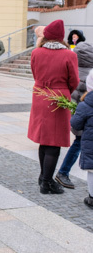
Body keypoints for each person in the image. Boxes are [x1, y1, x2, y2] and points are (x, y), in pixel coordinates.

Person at [28, 19, 79, 194]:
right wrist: (63, 91)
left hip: (40, 96)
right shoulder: (69, 55)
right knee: (54, 143)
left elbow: (35, 74)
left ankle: (43, 177)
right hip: (58, 97)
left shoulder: (37, 52)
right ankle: (47, 182)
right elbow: (74, 80)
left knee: (44, 140)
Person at [55, 41, 93, 189]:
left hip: (77, 114)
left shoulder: (72, 69)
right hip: (86, 117)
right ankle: (63, 172)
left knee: (79, 143)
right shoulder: (90, 74)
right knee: (79, 144)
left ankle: (64, 172)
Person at [70, 69, 93, 209]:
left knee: (92, 172)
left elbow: (75, 124)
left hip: (91, 146)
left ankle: (92, 197)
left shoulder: (86, 105)